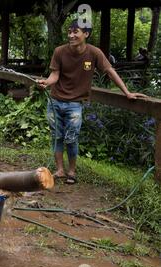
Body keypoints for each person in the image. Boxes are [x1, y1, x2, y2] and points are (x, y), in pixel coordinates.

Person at [37, 19, 147, 184]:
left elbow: (110, 71)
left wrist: (127, 92)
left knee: (71, 137)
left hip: (75, 104)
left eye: (76, 32)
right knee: (56, 136)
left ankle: (72, 172)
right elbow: (55, 75)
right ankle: (60, 170)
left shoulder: (94, 53)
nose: (71, 35)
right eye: (69, 32)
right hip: (55, 101)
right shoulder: (59, 51)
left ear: (86, 34)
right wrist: (46, 82)